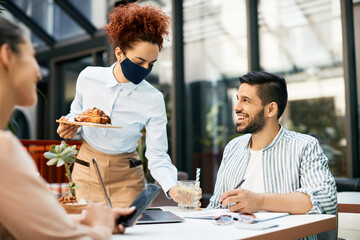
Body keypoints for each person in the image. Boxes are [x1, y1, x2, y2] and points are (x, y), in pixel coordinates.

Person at [0, 17, 135, 240]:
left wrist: (87, 220)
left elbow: (31, 222)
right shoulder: (4, 151)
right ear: (7, 56)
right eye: (32, 56)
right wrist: (100, 228)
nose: (39, 73)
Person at [57, 3, 178, 207]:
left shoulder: (153, 98)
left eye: (151, 64)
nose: (145, 69)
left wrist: (173, 188)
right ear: (120, 53)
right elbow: (76, 114)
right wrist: (69, 127)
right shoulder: (88, 77)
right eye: (139, 62)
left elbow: (157, 154)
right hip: (87, 169)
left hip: (128, 177)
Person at [208, 71, 337, 216]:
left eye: (246, 100)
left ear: (271, 109)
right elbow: (216, 206)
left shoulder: (304, 146)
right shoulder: (233, 148)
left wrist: (260, 201)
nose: (236, 107)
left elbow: (327, 202)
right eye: (238, 99)